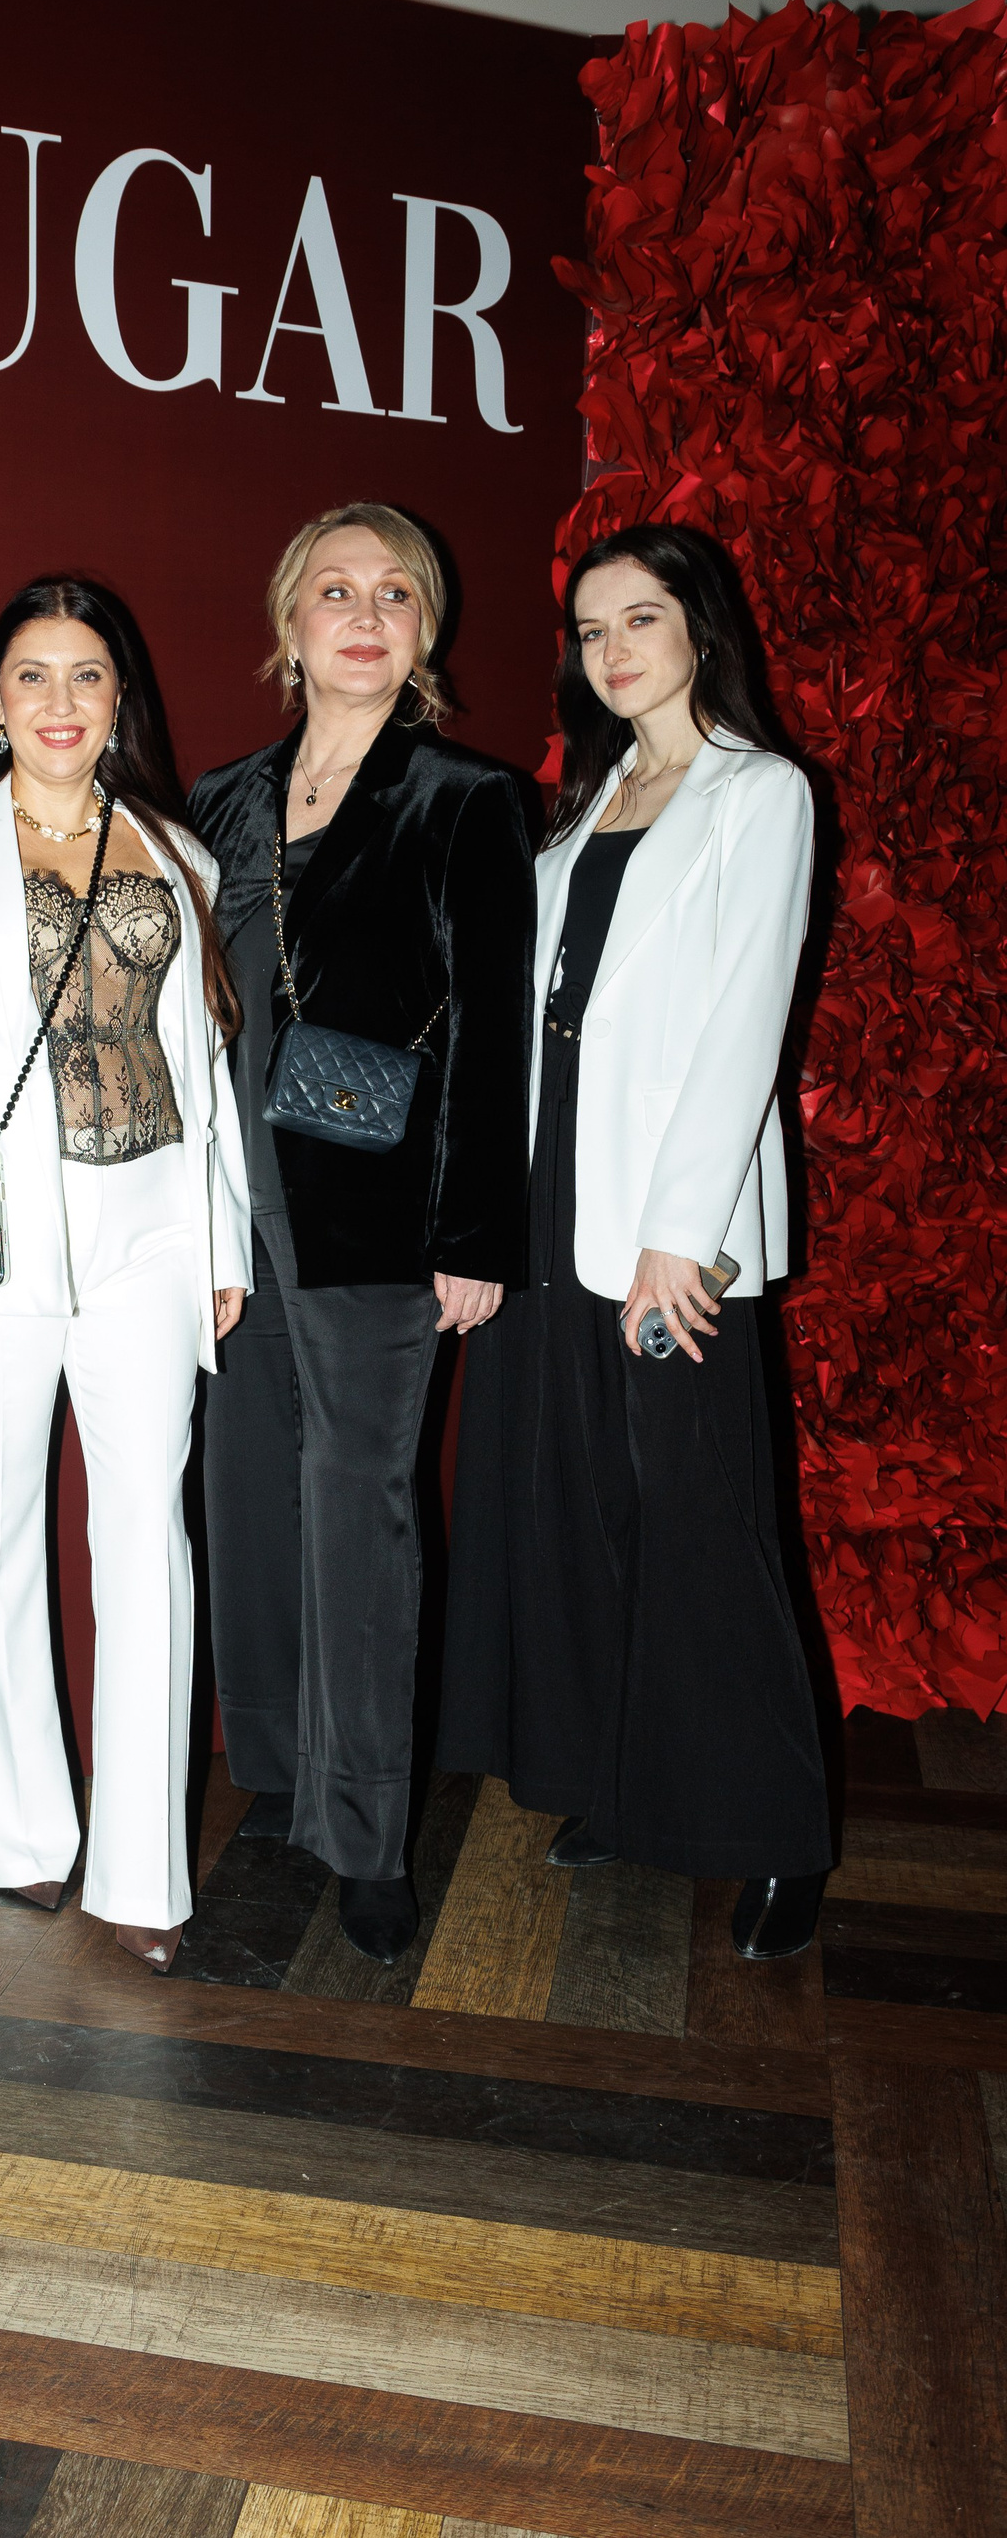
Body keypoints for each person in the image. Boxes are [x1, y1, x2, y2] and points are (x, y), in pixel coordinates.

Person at [440, 522, 832, 1960]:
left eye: (640, 619)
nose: (612, 650)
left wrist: (683, 1236)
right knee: (581, 1508)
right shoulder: (592, 798)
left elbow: (744, 1023)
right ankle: (619, 1785)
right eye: (592, 629)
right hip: (557, 1203)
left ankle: (776, 1833)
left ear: (699, 628)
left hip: (672, 1223)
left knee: (702, 1521)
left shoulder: (759, 793)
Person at [0, 578, 250, 1971]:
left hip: (152, 1226)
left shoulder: (176, 848)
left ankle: (144, 1872)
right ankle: (25, 1832)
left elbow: (204, 1056)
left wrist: (222, 1241)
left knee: (147, 1536)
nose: (58, 701)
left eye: (85, 675)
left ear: (117, 698)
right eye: (31, 675)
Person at [191, 503, 534, 1965]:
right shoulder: (219, 800)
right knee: (248, 1490)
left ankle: (369, 1832)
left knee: (360, 1508)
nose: (365, 613)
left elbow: (496, 1032)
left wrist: (478, 1232)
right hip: (230, 1204)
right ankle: (278, 1768)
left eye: (396, 593)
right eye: (336, 589)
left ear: (424, 631)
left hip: (382, 1210)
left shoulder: (468, 798)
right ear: (291, 620)